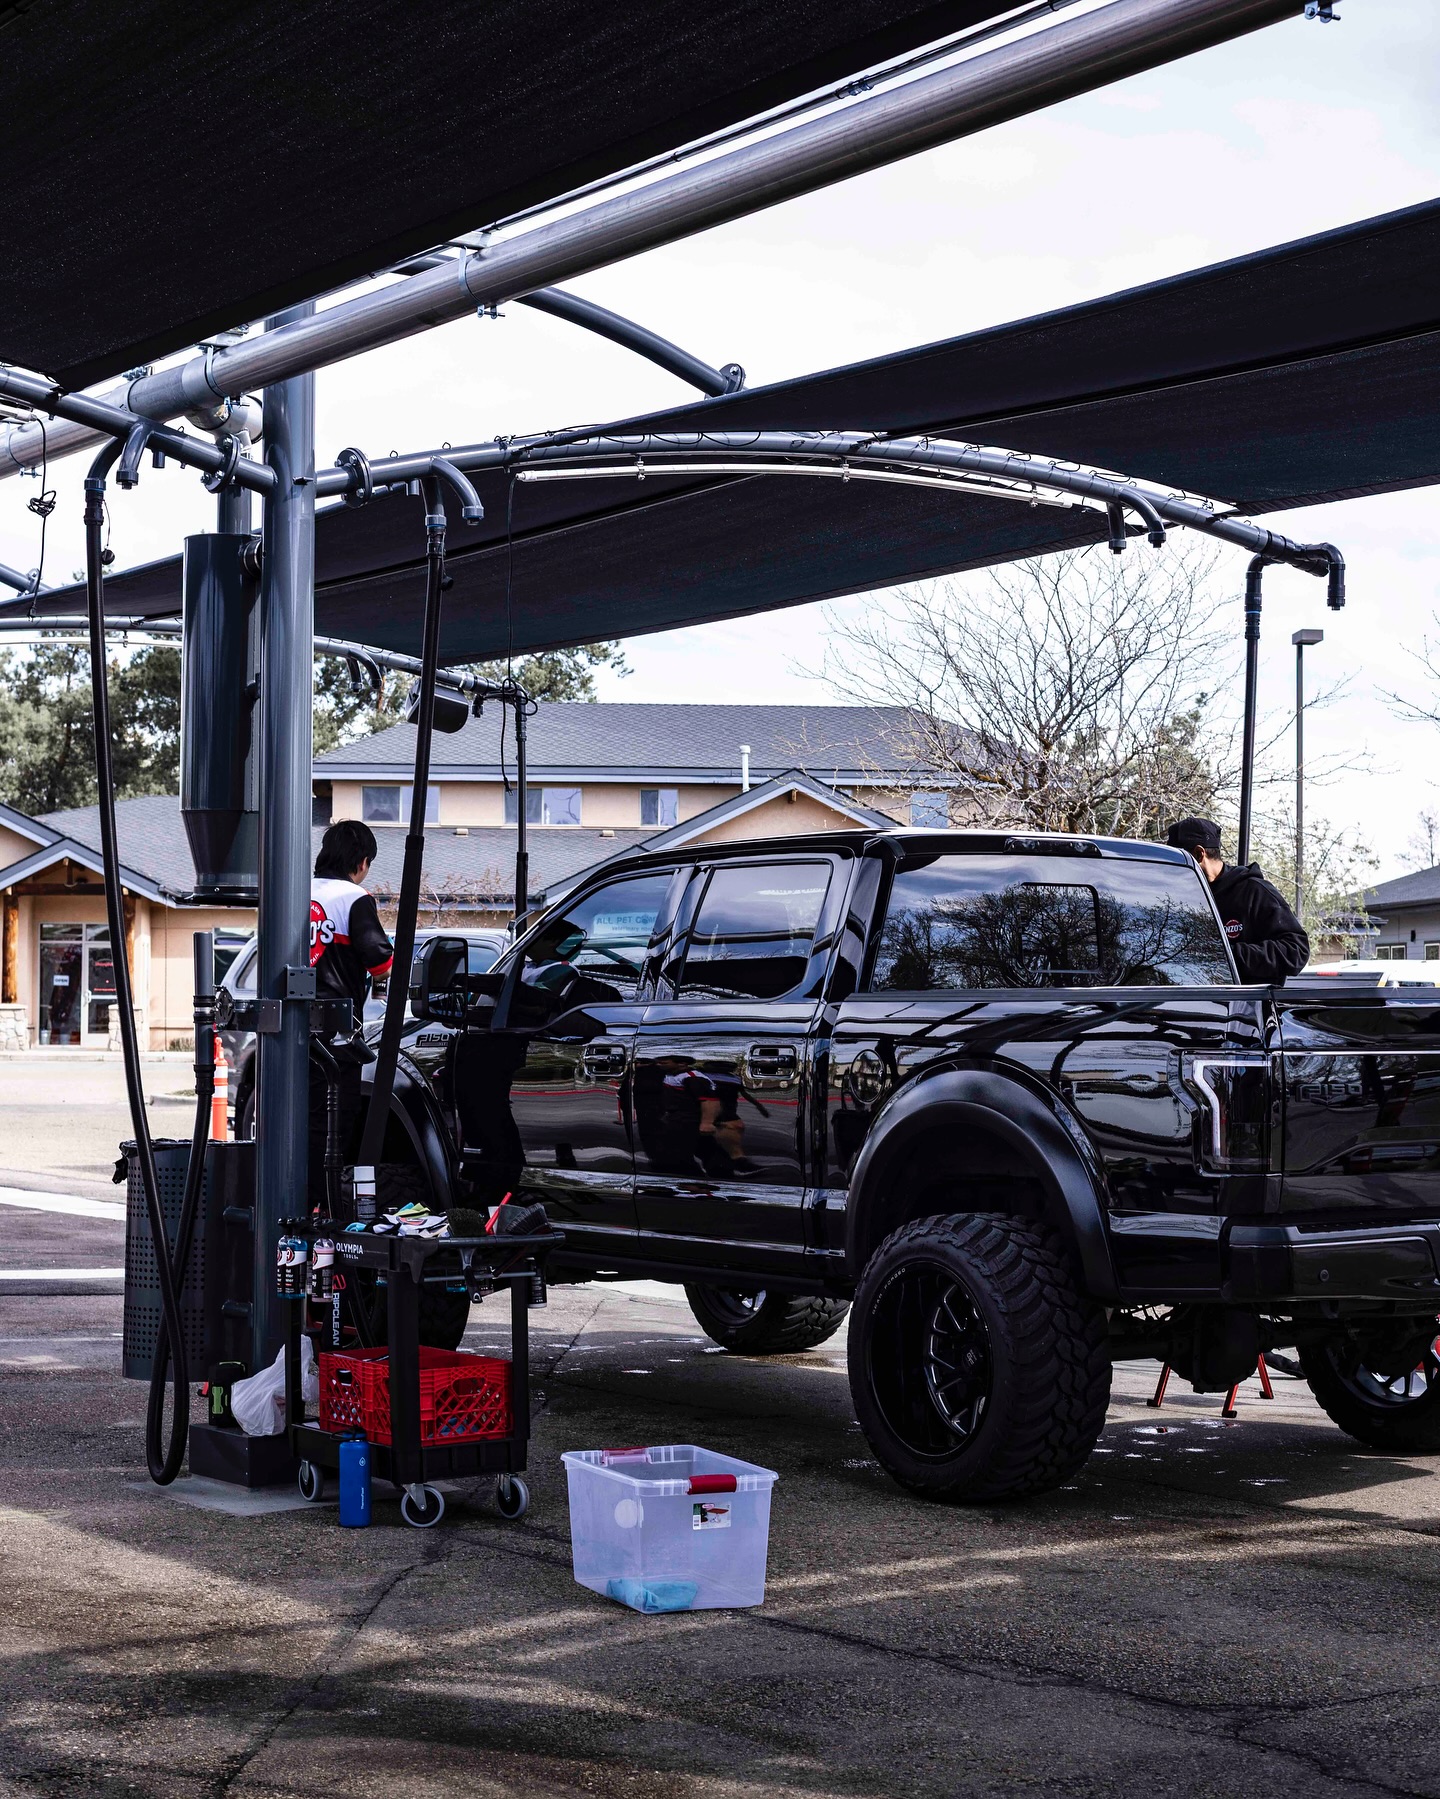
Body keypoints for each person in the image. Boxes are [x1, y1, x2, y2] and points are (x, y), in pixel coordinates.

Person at [308, 820, 394, 1205]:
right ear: (361, 861)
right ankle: (324, 1211)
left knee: (292, 1124)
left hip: (286, 1029)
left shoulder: (292, 890)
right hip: (336, 1036)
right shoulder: (355, 898)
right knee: (332, 1129)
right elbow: (382, 964)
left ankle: (287, 1204)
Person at [1164, 816, 1309, 982]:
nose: (1173, 871)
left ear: (1199, 854)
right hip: (1193, 1003)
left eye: (1178, 862)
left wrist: (1226, 955)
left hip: (1247, 1006)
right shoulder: (1184, 898)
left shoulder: (1254, 891)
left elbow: (1297, 951)